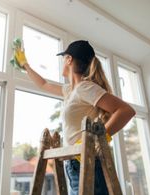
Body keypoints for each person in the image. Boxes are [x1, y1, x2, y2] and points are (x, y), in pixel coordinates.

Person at [15, 40, 135, 194]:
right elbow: (43, 84)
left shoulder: (85, 88)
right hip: (74, 164)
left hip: (88, 163)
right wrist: (25, 65)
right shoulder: (70, 91)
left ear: (69, 59)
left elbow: (126, 111)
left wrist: (98, 139)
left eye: (63, 58)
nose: (62, 62)